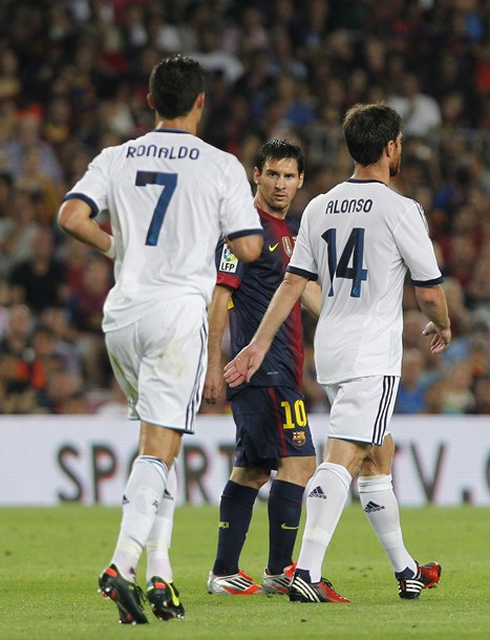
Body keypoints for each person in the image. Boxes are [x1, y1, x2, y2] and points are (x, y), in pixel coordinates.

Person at [57, 53, 263, 624]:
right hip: (176, 313)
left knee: (158, 444)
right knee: (160, 446)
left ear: (150, 101)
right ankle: (121, 563)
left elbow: (71, 216)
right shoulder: (220, 165)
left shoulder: (116, 157)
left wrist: (117, 248)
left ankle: (161, 575)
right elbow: (247, 248)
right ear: (201, 102)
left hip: (122, 314)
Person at [224, 102, 451, 603]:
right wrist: (444, 323)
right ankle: (304, 569)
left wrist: (257, 344)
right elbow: (430, 291)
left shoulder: (320, 206)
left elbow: (292, 284)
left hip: (331, 350)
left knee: (377, 455)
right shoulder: (401, 209)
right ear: (392, 147)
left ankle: (406, 568)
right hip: (373, 353)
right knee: (344, 455)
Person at [204, 139, 320, 596]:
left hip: (282, 369)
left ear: (301, 180)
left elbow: (302, 293)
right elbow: (219, 297)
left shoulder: (291, 231)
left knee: (252, 469)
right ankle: (279, 570)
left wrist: (344, 328)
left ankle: (225, 571)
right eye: (272, 174)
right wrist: (214, 364)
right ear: (256, 174)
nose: (280, 184)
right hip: (262, 369)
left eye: (289, 176)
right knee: (301, 462)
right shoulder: (244, 232)